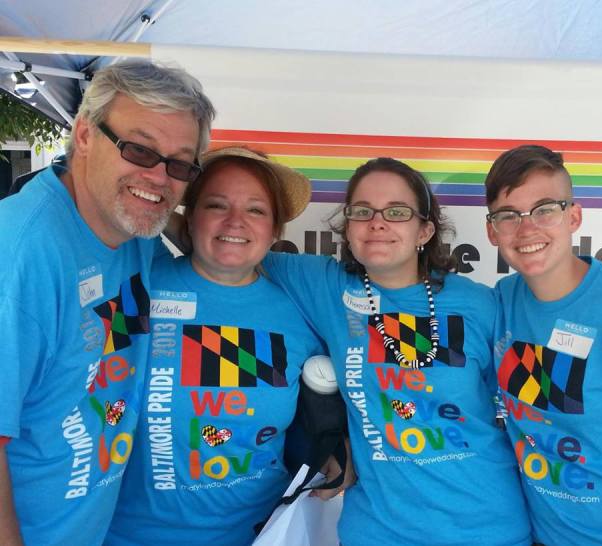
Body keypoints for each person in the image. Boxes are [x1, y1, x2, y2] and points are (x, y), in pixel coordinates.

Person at [262, 157, 532, 545]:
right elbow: (232, 242)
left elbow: (528, 414)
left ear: (424, 230)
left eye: (397, 211)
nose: (378, 221)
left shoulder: (480, 305)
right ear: (348, 227)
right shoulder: (324, 286)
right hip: (377, 531)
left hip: (486, 527)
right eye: (362, 211)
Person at [0, 60, 215, 546]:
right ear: (82, 135)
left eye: (179, 163)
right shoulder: (20, 256)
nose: (159, 176)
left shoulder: (133, 229)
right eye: (139, 150)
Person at [106, 147, 332, 546]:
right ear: (188, 218)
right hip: (130, 536)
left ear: (275, 229)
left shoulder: (300, 312)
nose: (235, 221)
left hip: (263, 535)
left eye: (256, 210)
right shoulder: (136, 287)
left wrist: (339, 449)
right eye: (215, 204)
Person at [485, 145, 602, 545]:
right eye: (508, 216)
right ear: (491, 230)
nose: (527, 229)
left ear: (574, 216)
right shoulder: (502, 301)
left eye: (545, 209)